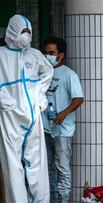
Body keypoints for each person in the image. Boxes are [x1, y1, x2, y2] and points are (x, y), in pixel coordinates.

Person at [0, 15, 53, 202]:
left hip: (33, 115)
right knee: (13, 164)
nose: (27, 36)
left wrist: (40, 95)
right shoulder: (1, 55)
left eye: (29, 32)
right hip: (10, 116)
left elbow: (48, 71)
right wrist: (3, 99)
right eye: (23, 31)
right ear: (13, 31)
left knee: (37, 163)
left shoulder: (34, 54)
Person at [41, 36, 84, 203]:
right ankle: (51, 199)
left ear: (60, 55)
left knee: (62, 168)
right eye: (45, 53)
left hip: (62, 131)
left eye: (51, 53)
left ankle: (64, 200)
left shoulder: (69, 74)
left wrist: (62, 114)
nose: (47, 56)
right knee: (48, 168)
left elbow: (79, 99)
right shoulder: (43, 72)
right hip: (45, 128)